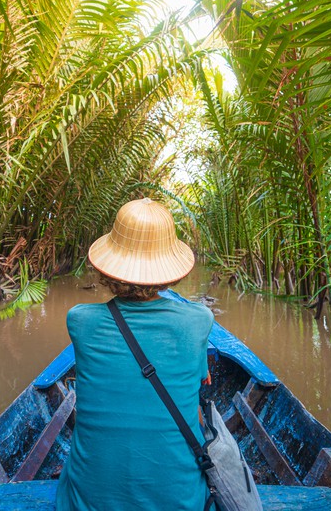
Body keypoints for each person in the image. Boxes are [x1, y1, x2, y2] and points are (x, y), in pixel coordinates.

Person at [56, 198, 214, 510]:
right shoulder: (198, 320)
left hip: (89, 503)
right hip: (178, 502)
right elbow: (199, 387)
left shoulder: (79, 320)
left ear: (108, 268)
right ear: (170, 270)